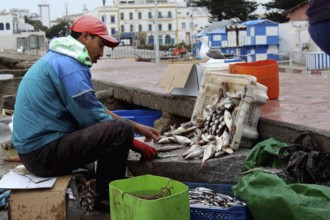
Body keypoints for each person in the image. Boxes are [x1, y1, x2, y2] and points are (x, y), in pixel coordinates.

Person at [12, 15, 160, 212]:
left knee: (121, 127)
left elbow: (93, 107)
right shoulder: (70, 66)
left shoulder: (59, 59)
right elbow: (90, 116)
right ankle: (106, 200)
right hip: (42, 155)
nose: (102, 52)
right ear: (85, 37)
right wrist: (133, 140)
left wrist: (137, 127)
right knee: (120, 130)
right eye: (100, 44)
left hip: (33, 152)